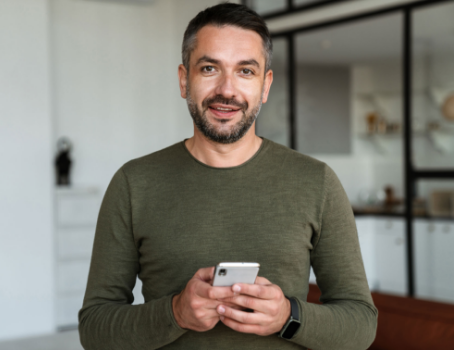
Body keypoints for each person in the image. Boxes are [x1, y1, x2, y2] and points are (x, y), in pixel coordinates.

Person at [78, 3, 377, 350]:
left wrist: (287, 317)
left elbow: (361, 324)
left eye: (245, 72)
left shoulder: (317, 182)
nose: (227, 90)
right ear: (183, 79)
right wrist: (175, 313)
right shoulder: (133, 184)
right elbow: (95, 328)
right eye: (209, 68)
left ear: (265, 85)